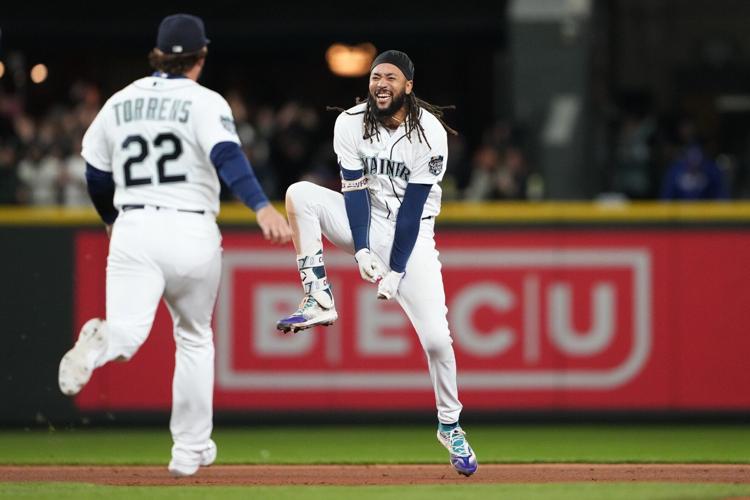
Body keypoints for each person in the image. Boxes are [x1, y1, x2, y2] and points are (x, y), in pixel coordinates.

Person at [57, 14, 291, 477]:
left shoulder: (119, 102)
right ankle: (187, 452)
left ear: (158, 55)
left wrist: (109, 220)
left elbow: (97, 174)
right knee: (194, 338)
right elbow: (227, 156)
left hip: (134, 227)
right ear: (200, 58)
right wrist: (261, 206)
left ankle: (99, 345)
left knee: (126, 335)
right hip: (190, 229)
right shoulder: (204, 101)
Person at [276, 50, 478, 476]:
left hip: (413, 237)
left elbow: (411, 213)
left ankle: (449, 424)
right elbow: (353, 193)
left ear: (408, 86)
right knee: (299, 194)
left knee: (438, 342)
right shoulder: (349, 122)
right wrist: (363, 250)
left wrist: (396, 272)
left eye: (390, 76)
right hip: (364, 219)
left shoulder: (429, 133)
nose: (380, 83)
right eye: (374, 77)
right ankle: (318, 296)